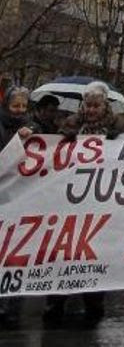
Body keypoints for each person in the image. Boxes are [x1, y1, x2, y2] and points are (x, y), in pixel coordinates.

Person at [44, 82, 124, 323]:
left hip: (100, 202)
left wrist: (122, 139)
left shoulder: (120, 126)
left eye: (96, 105)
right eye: (88, 105)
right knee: (63, 251)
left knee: (94, 252)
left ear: (105, 106)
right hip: (70, 202)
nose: (91, 110)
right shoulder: (70, 125)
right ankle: (56, 300)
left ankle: (93, 301)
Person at [0, 86, 32, 325]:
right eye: (15, 106)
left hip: (21, 199)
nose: (20, 111)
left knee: (16, 249)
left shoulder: (34, 130)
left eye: (24, 106)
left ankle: (12, 302)